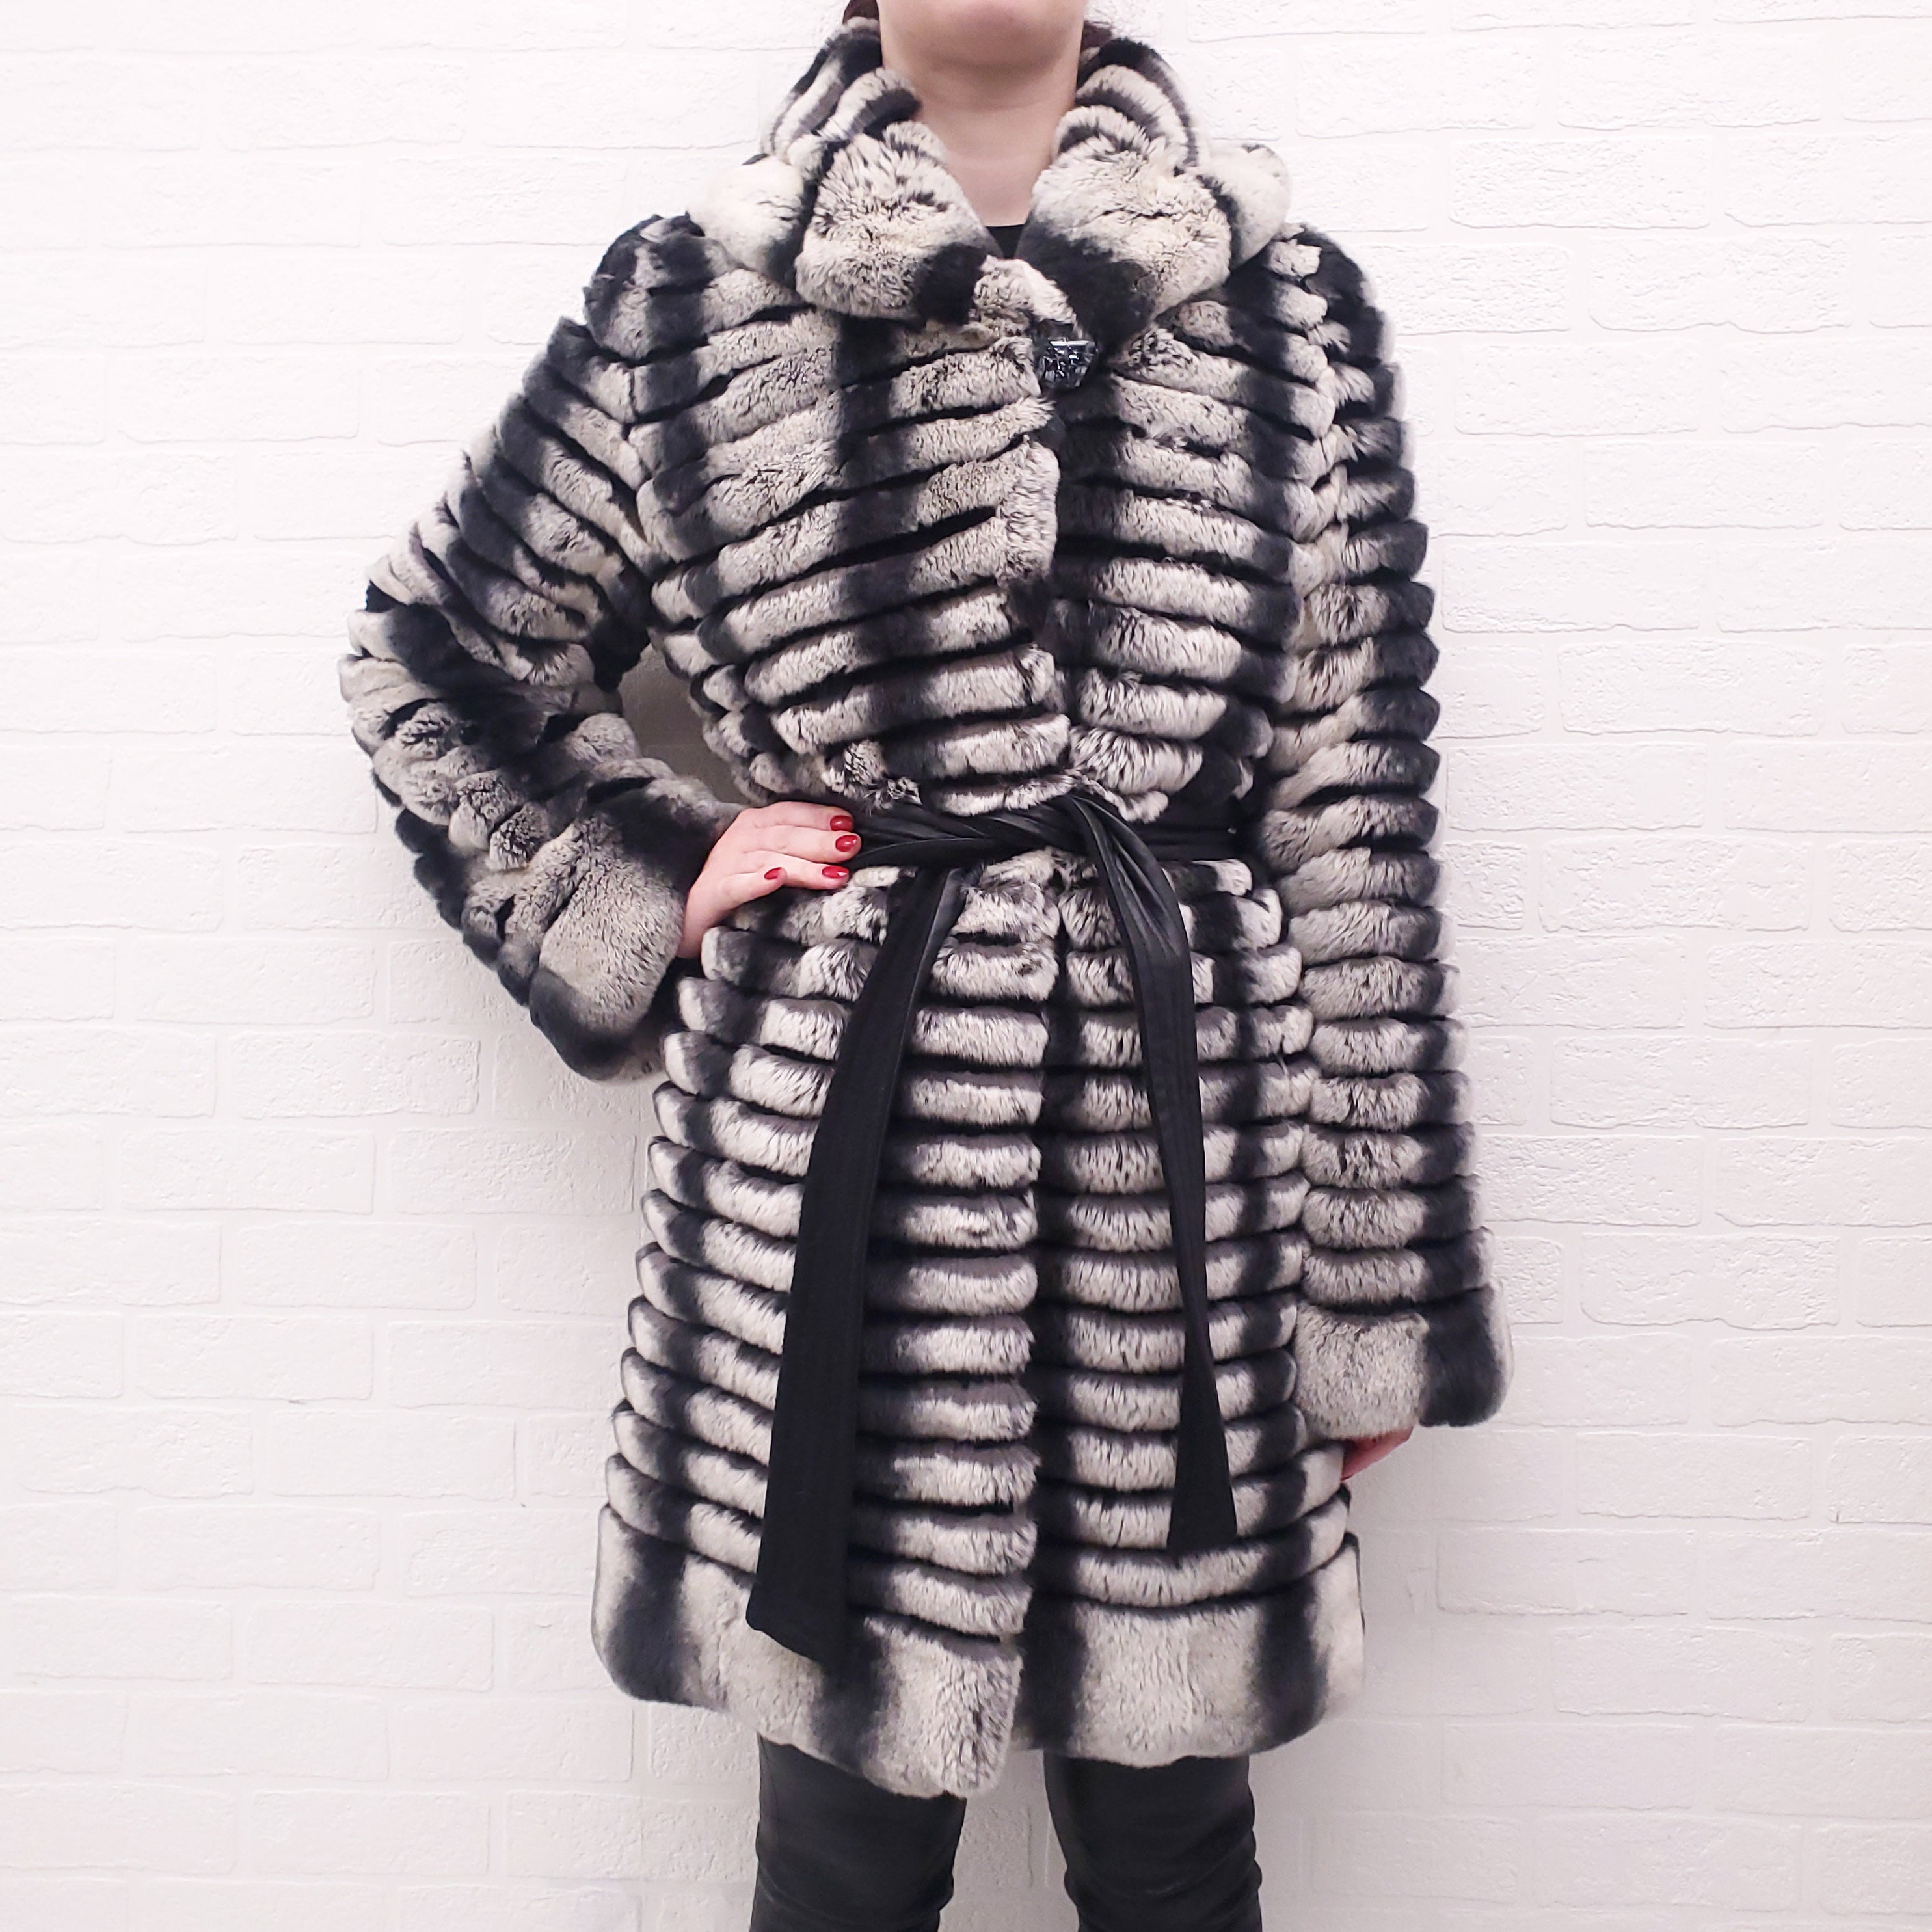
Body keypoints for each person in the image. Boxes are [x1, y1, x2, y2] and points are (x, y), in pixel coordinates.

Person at [338, 1, 1514, 1924]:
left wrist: (1372, 1289)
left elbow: (1355, 817)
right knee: (842, 1849)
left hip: (1180, 1200)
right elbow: (438, 651)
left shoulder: (1282, 307)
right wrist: (664, 870)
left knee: (1171, 1847)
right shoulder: (693, 298)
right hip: (844, 1182)